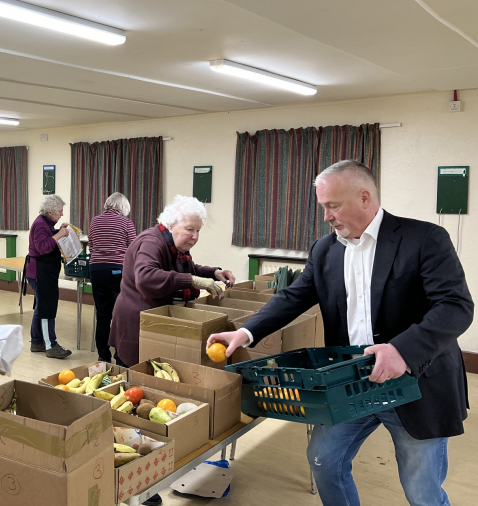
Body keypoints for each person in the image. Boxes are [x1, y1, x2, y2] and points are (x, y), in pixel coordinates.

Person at [208, 160, 472, 506]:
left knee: (421, 488)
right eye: (323, 207)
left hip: (415, 383)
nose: (326, 216)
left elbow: (455, 306)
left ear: (365, 198)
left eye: (333, 206)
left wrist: (402, 351)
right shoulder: (325, 249)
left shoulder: (423, 239)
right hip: (350, 385)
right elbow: (294, 296)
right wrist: (245, 332)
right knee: (324, 460)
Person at [109, 195, 236, 368]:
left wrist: (214, 273)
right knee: (133, 375)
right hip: (136, 322)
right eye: (190, 229)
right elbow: (146, 277)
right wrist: (193, 280)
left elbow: (187, 269)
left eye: (198, 231)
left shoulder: (173, 246)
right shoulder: (152, 242)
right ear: (170, 224)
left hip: (154, 319)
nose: (195, 237)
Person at [88, 192, 137, 363]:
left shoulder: (94, 221)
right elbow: (134, 248)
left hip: (96, 270)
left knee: (102, 315)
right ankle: (120, 355)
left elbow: (91, 247)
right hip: (117, 272)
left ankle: (103, 355)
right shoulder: (126, 222)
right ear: (123, 207)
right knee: (120, 315)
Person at [23, 194, 73, 359]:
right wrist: (59, 235)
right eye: (59, 211)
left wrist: (58, 231)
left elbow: (47, 238)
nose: (61, 214)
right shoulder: (40, 224)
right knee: (46, 308)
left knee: (42, 306)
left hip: (44, 272)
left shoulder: (46, 223)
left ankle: (37, 342)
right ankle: (51, 345)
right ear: (50, 211)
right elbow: (43, 247)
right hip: (39, 272)